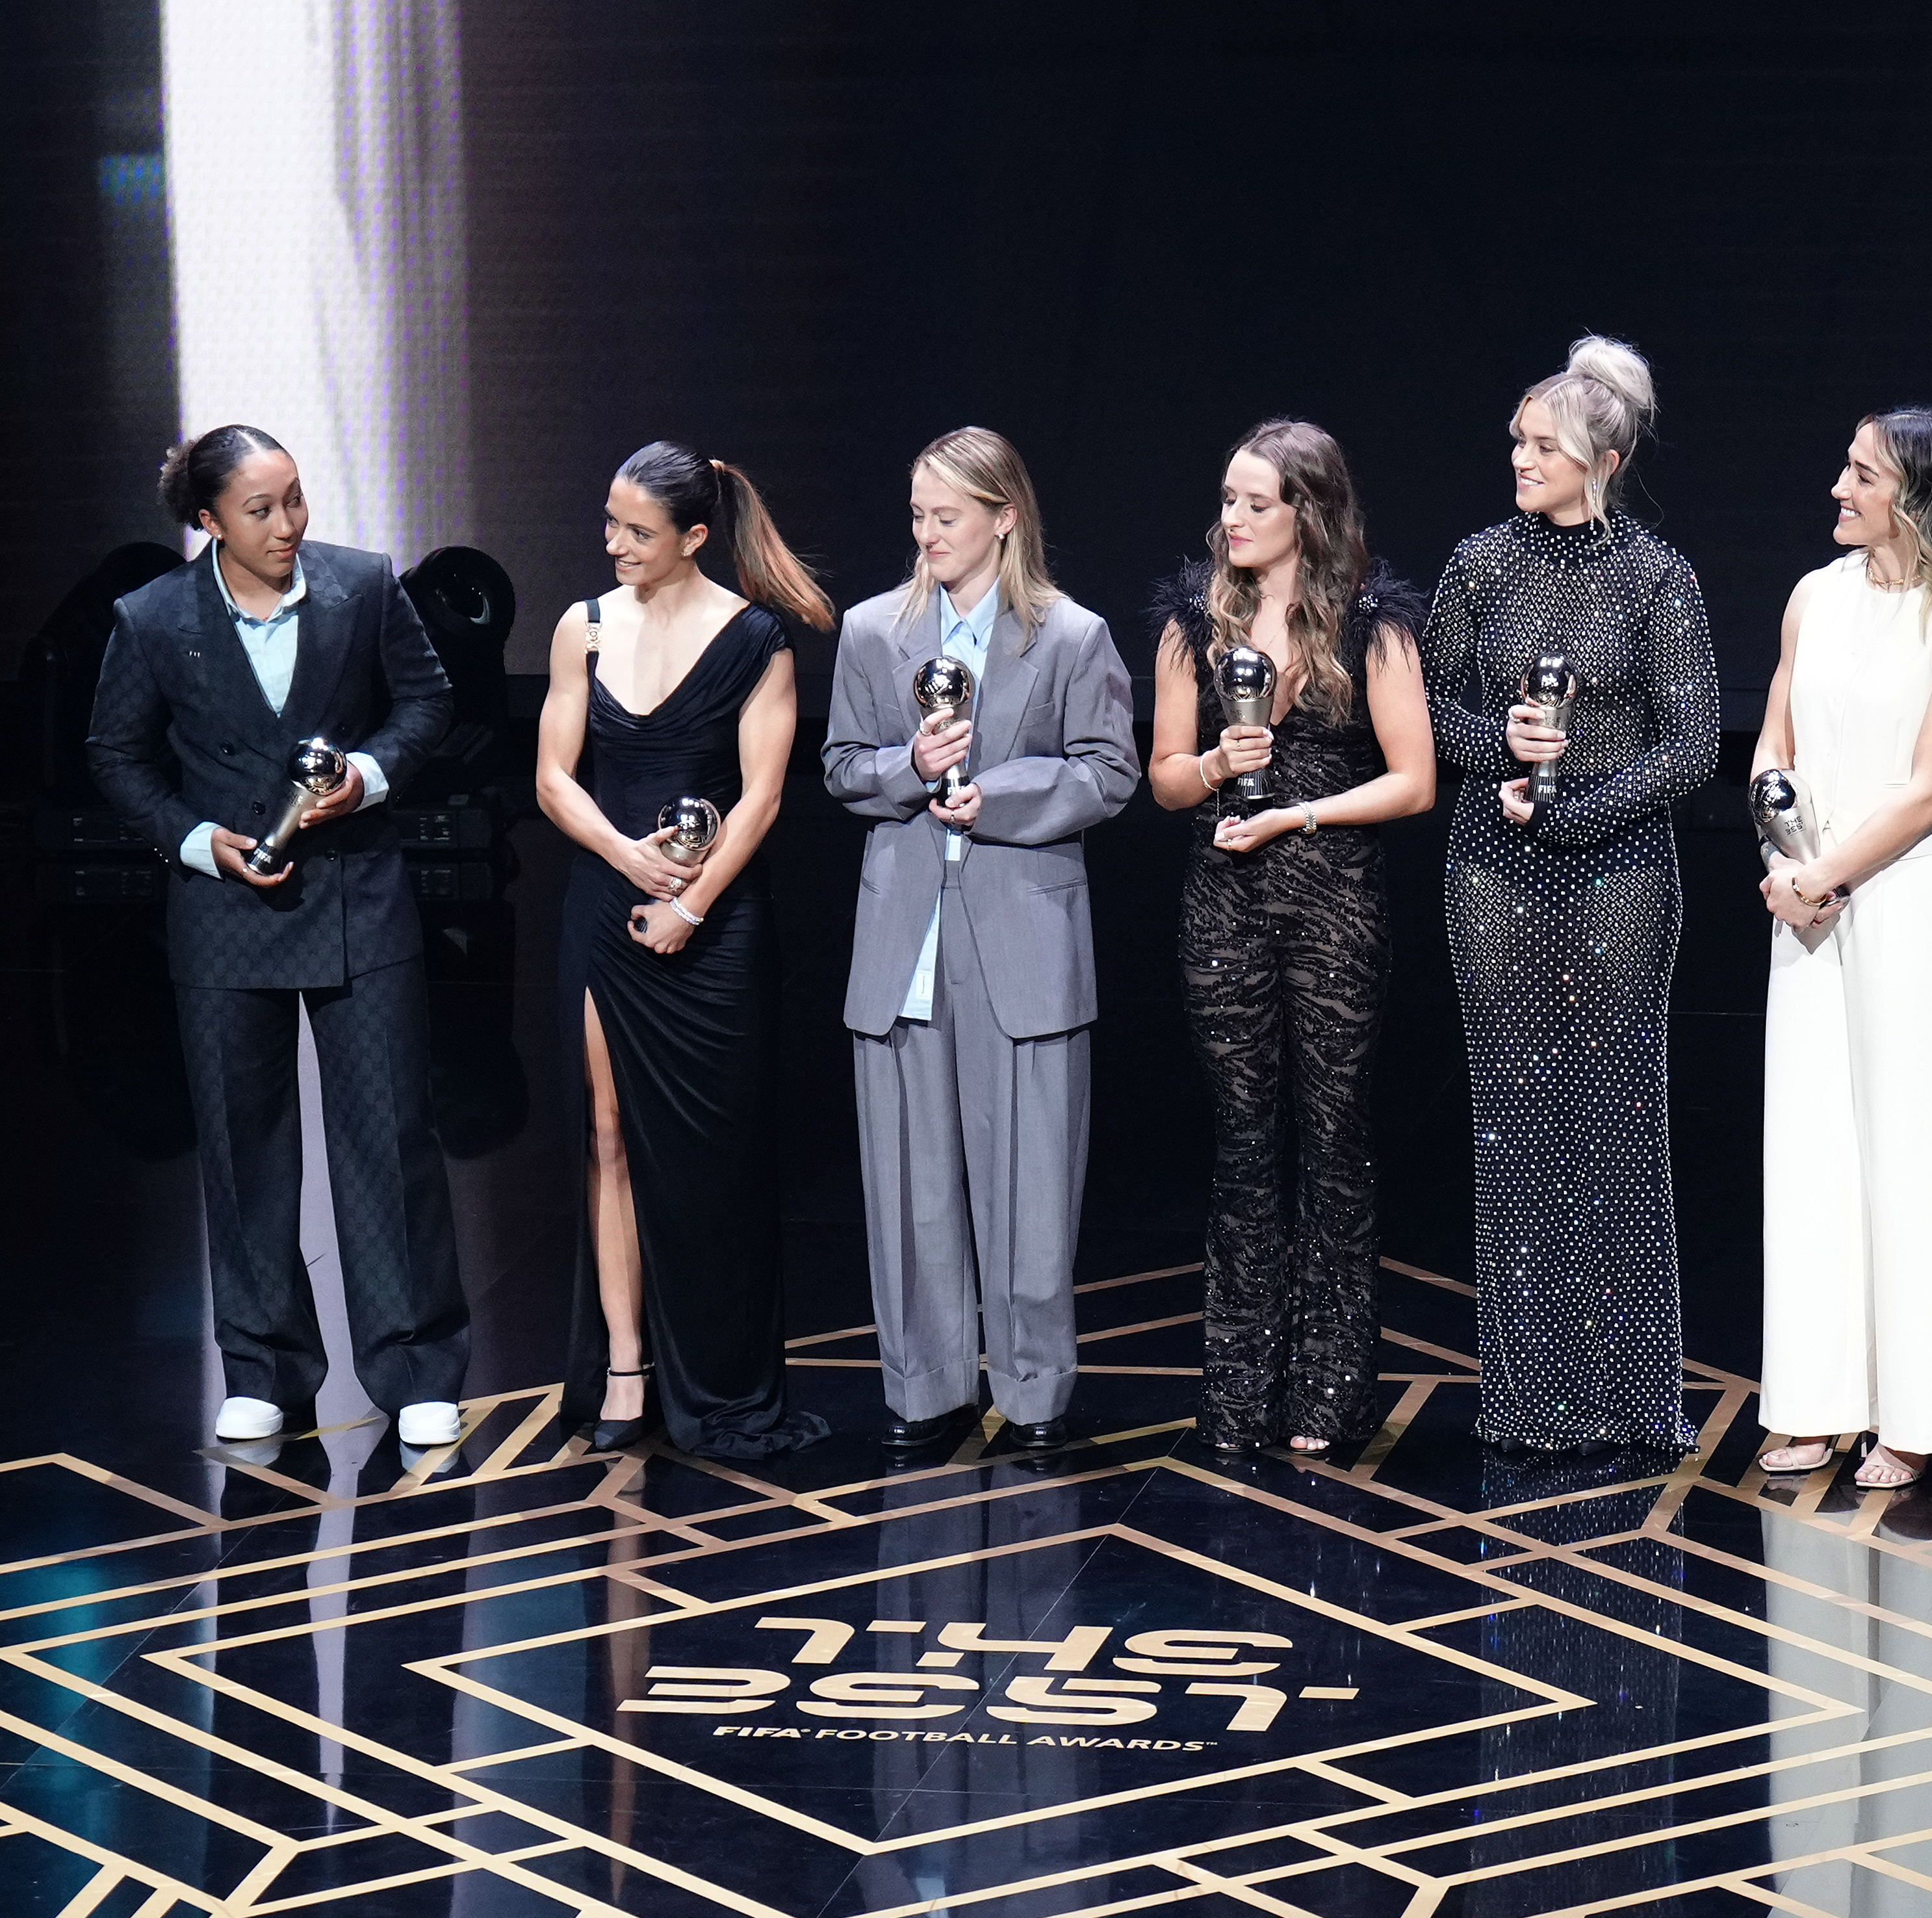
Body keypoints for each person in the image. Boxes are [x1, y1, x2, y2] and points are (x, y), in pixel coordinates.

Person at [88, 423, 469, 1449]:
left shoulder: (363, 587)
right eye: (262, 509)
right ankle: (263, 1363)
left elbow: (429, 701)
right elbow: (116, 754)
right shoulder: (156, 617)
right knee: (243, 1143)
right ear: (207, 522)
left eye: (295, 499)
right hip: (225, 913)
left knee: (387, 1139)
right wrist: (196, 841)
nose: (290, 524)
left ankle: (415, 1364)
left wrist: (370, 777)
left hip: (359, 897)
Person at [1424, 335, 1722, 1457]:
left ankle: (1637, 1397)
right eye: (1516, 440)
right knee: (1515, 1129)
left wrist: (1575, 812)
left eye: (1541, 444)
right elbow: (1429, 712)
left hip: (1618, 872)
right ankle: (1529, 1397)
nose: (1519, 457)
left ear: (1600, 457)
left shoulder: (1658, 575)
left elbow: (1692, 743)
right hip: (1493, 867)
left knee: (1614, 1125)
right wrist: (1497, 746)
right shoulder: (1478, 565)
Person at [823, 430, 1139, 1464]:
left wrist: (989, 796)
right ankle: (926, 1388)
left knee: (1031, 1180)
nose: (927, 536)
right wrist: (909, 764)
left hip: (1022, 938)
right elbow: (840, 767)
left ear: (1004, 518)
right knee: (909, 1182)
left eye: (946, 518)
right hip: (904, 938)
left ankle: (1037, 1390)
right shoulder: (875, 632)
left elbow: (1108, 773)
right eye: (917, 516)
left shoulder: (1072, 637)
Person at [533, 440, 834, 1458]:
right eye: (610, 521)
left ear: (694, 537)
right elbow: (553, 780)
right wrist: (627, 861)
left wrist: (691, 904)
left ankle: (723, 1377)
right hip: (607, 917)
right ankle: (625, 1367)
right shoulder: (584, 626)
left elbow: (763, 798)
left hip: (716, 930)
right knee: (607, 1138)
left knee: (718, 1161)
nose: (613, 543)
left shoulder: (759, 640)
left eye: (637, 530)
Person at [1148, 421, 1435, 1457]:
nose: (1231, 519)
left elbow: (1414, 781)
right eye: (1226, 499)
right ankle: (1239, 1386)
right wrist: (1223, 769)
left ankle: (1330, 1391)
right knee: (1243, 1141)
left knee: (1335, 1138)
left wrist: (1299, 814)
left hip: (1334, 904)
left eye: (1254, 503)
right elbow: (1165, 777)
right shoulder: (1194, 622)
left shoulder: (1374, 624)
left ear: (1307, 512)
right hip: (1225, 903)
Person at [1749, 410, 1932, 1491]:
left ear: (1916, 495)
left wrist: (1828, 873)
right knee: (1812, 1153)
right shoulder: (1815, 595)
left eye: (1861, 474)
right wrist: (1781, 843)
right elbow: (1775, 739)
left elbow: (1929, 787)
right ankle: (1813, 1402)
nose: (1838, 489)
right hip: (1804, 897)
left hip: (1902, 904)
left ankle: (1907, 1417)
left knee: (1910, 1157)